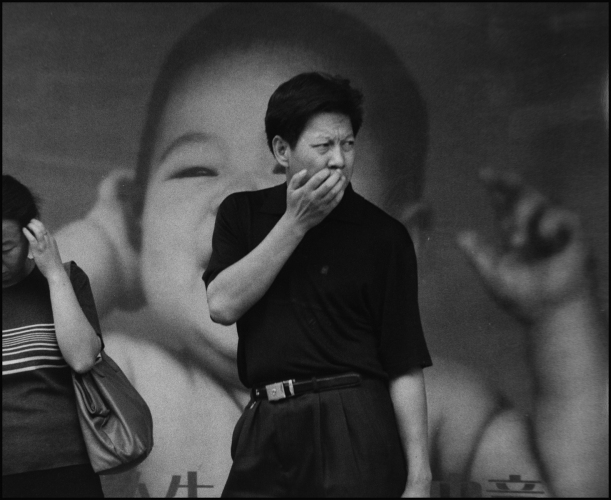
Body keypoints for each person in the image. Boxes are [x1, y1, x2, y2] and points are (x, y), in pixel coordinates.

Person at [51, 3, 607, 497]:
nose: (249, 201)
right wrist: (97, 250)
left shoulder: (435, 406)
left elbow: (570, 488)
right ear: (135, 215)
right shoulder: (128, 376)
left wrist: (561, 319)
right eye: (197, 168)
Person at [202, 71, 432, 497]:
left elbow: (404, 361)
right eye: (323, 146)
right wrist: (295, 222)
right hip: (266, 418)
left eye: (347, 144)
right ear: (282, 150)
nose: (339, 160)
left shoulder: (384, 236)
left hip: (352, 416)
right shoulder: (243, 214)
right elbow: (222, 305)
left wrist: (420, 476)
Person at [2, 175, 104, 498]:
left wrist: (55, 273)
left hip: (66, 470)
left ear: (32, 236)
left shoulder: (68, 280)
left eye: (5, 248)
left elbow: (83, 358)